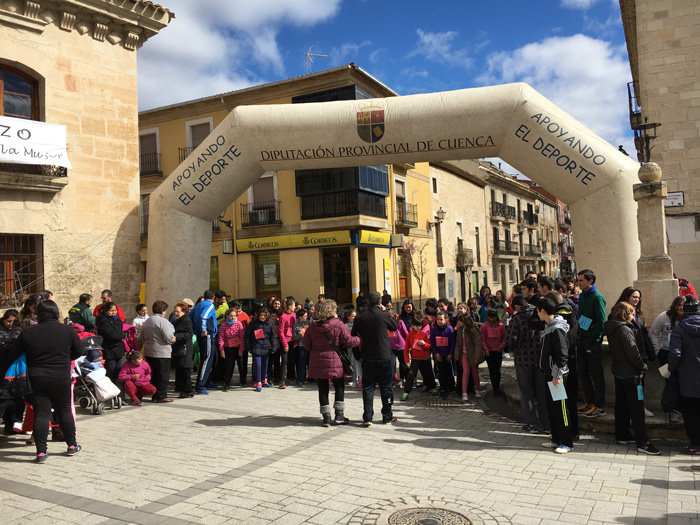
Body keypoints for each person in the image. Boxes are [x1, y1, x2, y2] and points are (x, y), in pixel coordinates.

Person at [7, 300, 84, 463]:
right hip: (61, 375)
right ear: (56, 313)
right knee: (64, 410)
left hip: (37, 377)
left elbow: (13, 354)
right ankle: (71, 445)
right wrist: (65, 358)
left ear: (38, 314)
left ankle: (41, 452)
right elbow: (80, 350)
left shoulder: (28, 332)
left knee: (41, 412)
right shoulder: (67, 330)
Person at [604, 301, 660, 455]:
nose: (633, 315)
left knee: (621, 405)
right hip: (632, 374)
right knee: (636, 408)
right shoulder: (624, 330)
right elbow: (632, 352)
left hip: (619, 372)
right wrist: (643, 366)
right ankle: (643, 441)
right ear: (625, 314)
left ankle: (621, 433)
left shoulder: (611, 327)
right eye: (631, 312)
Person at [303, 300, 362, 426]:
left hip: (317, 360)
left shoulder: (312, 327)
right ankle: (339, 416)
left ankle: (326, 418)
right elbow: (348, 342)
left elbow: (307, 345)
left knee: (323, 389)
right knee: (339, 386)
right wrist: (360, 339)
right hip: (335, 359)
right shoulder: (338, 324)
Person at [351, 291, 398, 426]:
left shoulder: (360, 318)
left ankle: (367, 417)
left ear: (367, 302)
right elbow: (394, 327)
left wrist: (357, 355)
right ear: (380, 303)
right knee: (386, 387)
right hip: (384, 355)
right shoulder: (384, 315)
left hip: (368, 356)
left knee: (368, 387)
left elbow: (354, 337)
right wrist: (387, 312)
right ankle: (387, 416)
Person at [506, 295, 548, 432]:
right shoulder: (539, 314)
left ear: (517, 307)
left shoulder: (517, 319)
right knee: (543, 393)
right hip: (541, 359)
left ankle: (531, 424)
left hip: (523, 360)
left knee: (526, 392)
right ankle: (546, 424)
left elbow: (510, 340)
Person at [537, 298, 573, 454]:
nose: (537, 315)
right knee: (552, 408)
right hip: (549, 374)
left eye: (538, 311)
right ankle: (556, 438)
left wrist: (557, 375)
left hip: (557, 376)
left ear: (543, 311)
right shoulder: (549, 326)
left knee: (561, 409)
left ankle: (566, 442)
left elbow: (562, 355)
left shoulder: (557, 328)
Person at [669, 297, 700, 455]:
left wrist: (671, 368)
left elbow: (675, 354)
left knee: (690, 413)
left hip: (688, 380)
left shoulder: (679, 330)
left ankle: (695, 444)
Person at [576, 269, 608, 418]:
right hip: (582, 338)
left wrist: (595, 338)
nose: (579, 282)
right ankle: (589, 401)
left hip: (592, 340)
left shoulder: (597, 297)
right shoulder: (582, 296)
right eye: (579, 280)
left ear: (590, 281)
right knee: (582, 371)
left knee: (596, 373)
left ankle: (599, 405)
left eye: (582, 280)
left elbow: (602, 321)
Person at [142, 300, 175, 403]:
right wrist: (173, 339)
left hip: (149, 350)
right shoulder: (163, 322)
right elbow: (169, 337)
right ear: (163, 311)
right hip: (162, 351)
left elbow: (142, 336)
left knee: (154, 374)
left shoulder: (147, 321)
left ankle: (155, 394)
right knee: (163, 374)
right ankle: (161, 395)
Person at [401, 316, 436, 400]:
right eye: (416, 326)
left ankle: (432, 387)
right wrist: (406, 360)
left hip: (426, 358)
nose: (418, 327)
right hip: (415, 359)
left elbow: (429, 346)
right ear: (412, 325)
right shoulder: (409, 335)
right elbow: (406, 349)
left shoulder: (423, 334)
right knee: (411, 375)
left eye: (420, 326)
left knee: (429, 374)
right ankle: (406, 391)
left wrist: (424, 344)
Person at [190, 290, 217, 395]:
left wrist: (194, 329)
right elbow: (203, 317)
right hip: (207, 336)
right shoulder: (210, 305)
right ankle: (200, 385)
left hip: (202, 336)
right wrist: (203, 330)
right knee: (207, 360)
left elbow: (191, 316)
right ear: (213, 298)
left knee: (206, 359)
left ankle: (206, 382)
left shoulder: (199, 305)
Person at [244, 307, 277, 392]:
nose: (262, 317)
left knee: (265, 365)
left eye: (264, 315)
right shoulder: (254, 322)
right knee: (258, 365)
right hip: (256, 346)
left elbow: (273, 336)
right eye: (261, 315)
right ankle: (258, 381)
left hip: (265, 347)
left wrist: (274, 346)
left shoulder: (270, 323)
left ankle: (263, 379)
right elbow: (247, 334)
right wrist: (248, 346)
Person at [95, 302, 127, 386]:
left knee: (118, 371)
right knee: (111, 372)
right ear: (106, 311)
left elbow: (122, 328)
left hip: (118, 350)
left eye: (115, 310)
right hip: (109, 350)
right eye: (111, 311)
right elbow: (111, 334)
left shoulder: (117, 319)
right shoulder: (103, 321)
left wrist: (122, 334)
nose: (114, 313)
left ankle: (118, 392)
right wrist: (122, 335)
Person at [454, 313, 484, 401]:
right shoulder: (459, 330)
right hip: (464, 353)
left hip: (473, 354)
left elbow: (478, 344)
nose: (458, 322)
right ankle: (464, 392)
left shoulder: (473, 330)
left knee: (474, 373)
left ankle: (477, 389)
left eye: (460, 321)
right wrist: (457, 353)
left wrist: (477, 357)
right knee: (465, 372)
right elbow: (458, 343)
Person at [650, 295, 686, 365]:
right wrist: (658, 351)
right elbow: (654, 333)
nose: (681, 307)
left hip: (684, 352)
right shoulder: (663, 317)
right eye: (679, 305)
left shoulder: (690, 318)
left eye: (684, 305)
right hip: (666, 351)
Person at [218, 307, 244, 391]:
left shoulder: (239, 324)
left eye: (234, 316)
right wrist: (221, 350)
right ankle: (227, 383)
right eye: (231, 316)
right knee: (229, 366)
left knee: (241, 365)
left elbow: (242, 337)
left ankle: (243, 380)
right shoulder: (223, 325)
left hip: (238, 347)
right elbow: (221, 338)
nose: (233, 318)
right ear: (227, 316)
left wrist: (241, 349)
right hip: (228, 348)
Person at [481, 309, 506, 397]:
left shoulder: (501, 326)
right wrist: (486, 349)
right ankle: (494, 388)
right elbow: (483, 339)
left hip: (498, 350)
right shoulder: (484, 326)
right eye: (490, 317)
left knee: (497, 370)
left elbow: (504, 338)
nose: (492, 319)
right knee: (492, 370)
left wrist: (501, 346)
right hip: (489, 352)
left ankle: (497, 387)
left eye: (493, 317)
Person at [171, 302, 194, 398]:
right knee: (180, 368)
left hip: (185, 349)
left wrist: (177, 337)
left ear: (184, 312)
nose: (175, 313)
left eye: (177, 311)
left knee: (185, 370)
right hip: (179, 349)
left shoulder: (186, 320)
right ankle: (180, 387)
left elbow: (189, 334)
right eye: (175, 311)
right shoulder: (178, 320)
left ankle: (188, 390)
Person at [430, 311, 456, 397]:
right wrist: (435, 353)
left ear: (445, 320)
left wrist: (450, 354)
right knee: (441, 372)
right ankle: (443, 388)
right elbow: (432, 343)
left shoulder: (449, 329)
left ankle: (451, 386)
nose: (439, 321)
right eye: (438, 319)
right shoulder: (434, 329)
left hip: (448, 354)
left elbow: (452, 343)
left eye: (441, 319)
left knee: (449, 370)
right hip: (439, 355)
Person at [276, 298, 297, 388]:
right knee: (284, 360)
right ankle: (282, 380)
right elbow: (280, 331)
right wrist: (285, 344)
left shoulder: (294, 315)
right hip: (285, 341)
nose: (295, 307)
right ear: (289, 306)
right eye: (293, 305)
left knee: (291, 360)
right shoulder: (283, 316)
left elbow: (295, 328)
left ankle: (291, 377)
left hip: (292, 341)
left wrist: (295, 340)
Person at [231, 301, 250, 386]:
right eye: (236, 308)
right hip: (232, 342)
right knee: (231, 362)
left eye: (239, 308)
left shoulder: (244, 315)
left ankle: (243, 379)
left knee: (242, 362)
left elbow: (249, 326)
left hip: (243, 341)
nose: (238, 310)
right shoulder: (230, 315)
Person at [292, 309, 311, 386]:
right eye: (304, 316)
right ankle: (300, 379)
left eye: (306, 315)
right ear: (299, 317)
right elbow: (294, 337)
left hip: (309, 346)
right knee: (302, 363)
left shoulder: (308, 323)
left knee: (310, 362)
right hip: (301, 346)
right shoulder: (295, 325)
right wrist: (300, 333)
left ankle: (310, 377)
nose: (306, 317)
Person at [344, 309, 362, 389]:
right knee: (353, 364)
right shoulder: (345, 326)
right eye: (352, 316)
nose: (354, 318)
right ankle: (355, 380)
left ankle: (357, 380)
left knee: (357, 364)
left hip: (357, 347)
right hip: (349, 348)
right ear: (348, 317)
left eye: (355, 316)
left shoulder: (358, 324)